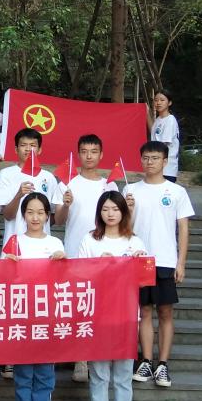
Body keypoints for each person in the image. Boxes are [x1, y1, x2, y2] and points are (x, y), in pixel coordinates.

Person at [124, 141, 194, 389]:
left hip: (165, 259)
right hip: (139, 259)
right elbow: (124, 228)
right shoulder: (130, 189)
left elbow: (183, 229)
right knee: (143, 311)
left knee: (165, 312)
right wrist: (128, 210)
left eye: (154, 158)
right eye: (145, 158)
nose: (149, 162)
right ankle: (145, 360)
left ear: (165, 161)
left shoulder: (176, 192)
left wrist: (181, 262)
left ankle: (162, 364)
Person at [79, 191, 146, 401]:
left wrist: (138, 264)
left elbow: (144, 279)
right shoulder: (90, 240)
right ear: (99, 212)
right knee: (99, 371)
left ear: (124, 212)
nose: (110, 214)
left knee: (123, 372)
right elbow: (79, 275)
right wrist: (99, 264)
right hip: (98, 313)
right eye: (105, 209)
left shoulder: (135, 242)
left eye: (115, 209)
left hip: (127, 314)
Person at [53, 134, 118, 383]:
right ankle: (78, 358)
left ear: (101, 155)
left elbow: (118, 220)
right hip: (73, 252)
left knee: (97, 307)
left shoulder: (109, 186)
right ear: (78, 154)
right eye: (84, 151)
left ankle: (93, 357)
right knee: (77, 306)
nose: (89, 156)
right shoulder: (68, 183)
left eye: (93, 151)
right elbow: (58, 220)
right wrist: (65, 205)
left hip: (103, 255)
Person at [4, 192, 64, 401]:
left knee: (45, 375)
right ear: (23, 215)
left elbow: (65, 281)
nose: (35, 217)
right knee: (23, 374)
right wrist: (8, 265)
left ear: (48, 215)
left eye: (40, 212)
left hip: (47, 317)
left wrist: (62, 262)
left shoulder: (55, 243)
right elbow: (1, 280)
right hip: (21, 316)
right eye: (30, 212)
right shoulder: (14, 242)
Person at [0, 128, 62, 240]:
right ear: (16, 149)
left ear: (39, 150)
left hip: (42, 244)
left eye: (33, 145)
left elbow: (53, 216)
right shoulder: (5, 174)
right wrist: (19, 195)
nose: (28, 149)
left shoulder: (49, 177)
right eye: (23, 145)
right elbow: (8, 216)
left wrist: (37, 225)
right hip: (15, 243)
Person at [148, 90, 180, 183]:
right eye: (156, 100)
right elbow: (153, 133)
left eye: (162, 100)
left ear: (169, 103)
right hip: (157, 166)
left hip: (167, 169)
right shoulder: (158, 119)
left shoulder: (170, 120)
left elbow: (163, 145)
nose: (158, 103)